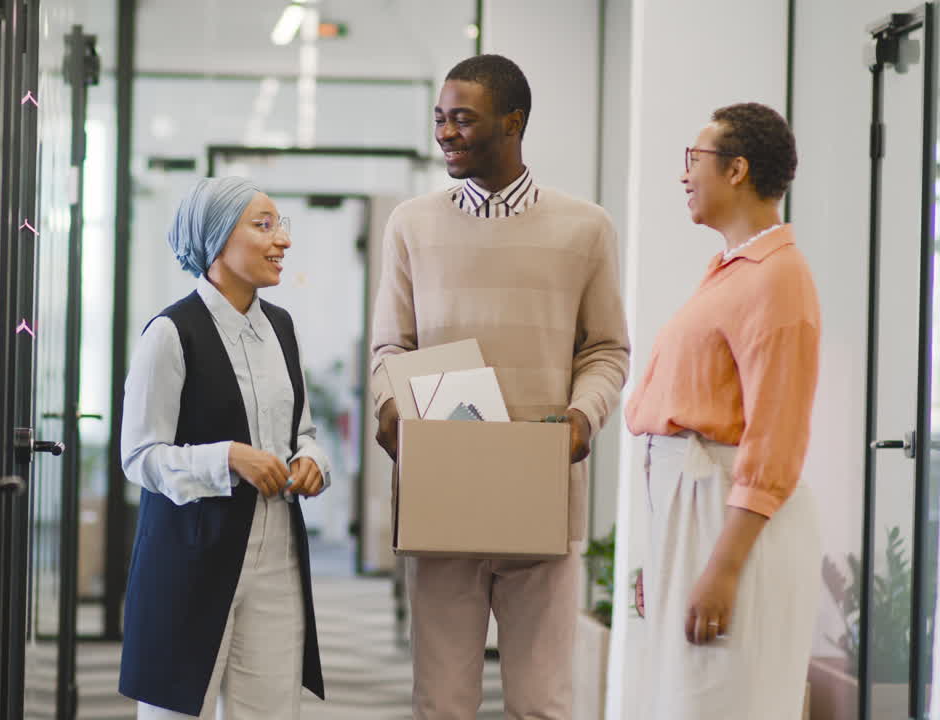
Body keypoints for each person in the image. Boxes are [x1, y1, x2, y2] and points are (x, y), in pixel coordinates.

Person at [370, 54, 630, 718]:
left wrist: (583, 417)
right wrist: (390, 404)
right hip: (442, 497)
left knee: (542, 702)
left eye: (464, 119)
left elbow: (606, 350)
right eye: (440, 119)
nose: (447, 133)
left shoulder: (585, 228)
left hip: (539, 498)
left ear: (512, 124)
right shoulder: (412, 225)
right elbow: (390, 347)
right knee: (442, 702)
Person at [625, 102, 820, 720]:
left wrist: (724, 567)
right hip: (696, 511)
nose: (684, 175)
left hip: (729, 522)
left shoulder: (776, 277)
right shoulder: (733, 270)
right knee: (683, 698)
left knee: (716, 701)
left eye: (695, 159)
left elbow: (777, 436)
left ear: (736, 170)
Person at [117, 176, 330, 719]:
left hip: (276, 553)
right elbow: (140, 456)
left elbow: (302, 432)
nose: (281, 239)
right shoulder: (170, 333)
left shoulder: (282, 329)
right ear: (216, 239)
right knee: (174, 710)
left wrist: (312, 461)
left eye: (281, 225)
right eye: (263, 225)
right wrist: (227, 458)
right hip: (189, 555)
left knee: (270, 710)